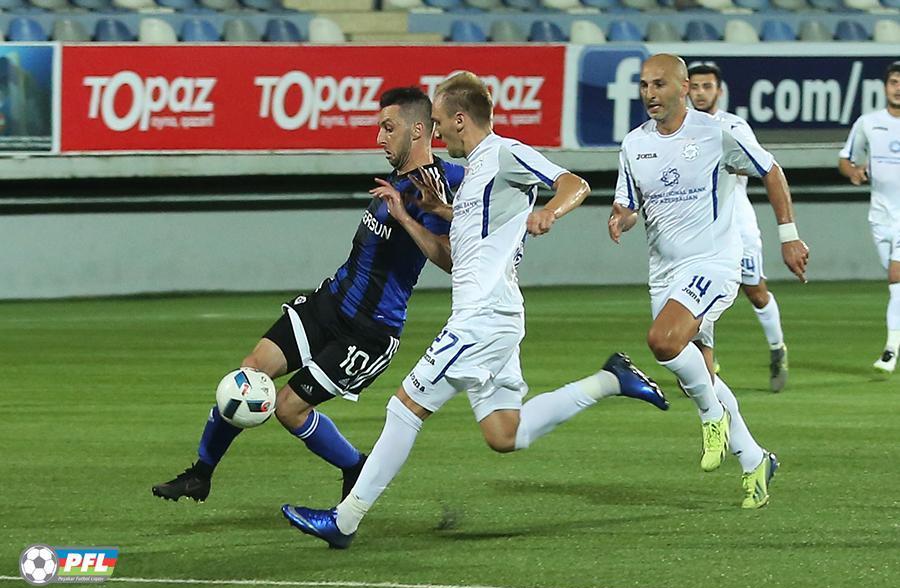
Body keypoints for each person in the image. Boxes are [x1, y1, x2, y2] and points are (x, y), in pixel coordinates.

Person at [281, 71, 669, 549]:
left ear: (461, 119)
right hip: (495, 318)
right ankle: (610, 380)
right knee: (505, 432)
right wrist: (425, 213)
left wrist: (550, 211)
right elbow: (460, 247)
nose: (436, 130)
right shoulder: (474, 179)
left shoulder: (504, 152)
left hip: (480, 319)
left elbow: (574, 183)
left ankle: (344, 521)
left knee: (404, 408)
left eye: (440, 121)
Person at [151, 87, 464, 503]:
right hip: (329, 303)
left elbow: (451, 259)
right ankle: (201, 474)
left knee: (288, 408)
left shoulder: (437, 185)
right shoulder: (397, 178)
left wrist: (406, 217)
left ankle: (355, 467)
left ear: (419, 130)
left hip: (369, 331)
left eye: (389, 128)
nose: (379, 138)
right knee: (250, 372)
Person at [608, 54, 809, 509]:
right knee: (698, 372)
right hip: (664, 272)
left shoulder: (718, 132)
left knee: (663, 340)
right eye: (644, 85)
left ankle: (711, 416)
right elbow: (629, 203)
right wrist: (622, 218)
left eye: (659, 84)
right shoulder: (634, 144)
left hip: (713, 262)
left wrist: (789, 236)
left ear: (683, 87)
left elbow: (771, 171)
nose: (650, 93)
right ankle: (755, 459)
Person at [688, 62, 789, 392]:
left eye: (707, 86)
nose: (700, 93)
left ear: (719, 91)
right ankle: (706, 363)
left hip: (738, 224)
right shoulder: (681, 129)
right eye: (695, 87)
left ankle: (777, 348)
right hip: (700, 228)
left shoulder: (733, 126)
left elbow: (760, 166)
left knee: (755, 292)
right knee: (696, 295)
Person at [838, 61, 900, 374]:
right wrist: (853, 172)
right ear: (885, 86)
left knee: (897, 281)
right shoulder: (869, 123)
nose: (898, 88)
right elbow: (845, 159)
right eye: (894, 82)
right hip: (880, 216)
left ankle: (890, 350)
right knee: (895, 284)